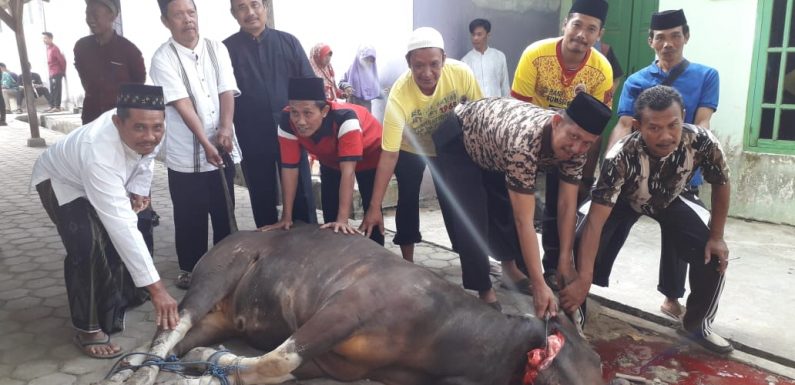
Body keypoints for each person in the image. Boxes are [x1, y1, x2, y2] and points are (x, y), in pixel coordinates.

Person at [560, 85, 733, 354]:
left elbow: (721, 183)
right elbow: (595, 221)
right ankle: (575, 316)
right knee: (579, 237)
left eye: (673, 125)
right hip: (622, 199)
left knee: (713, 252)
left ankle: (697, 325)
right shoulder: (620, 155)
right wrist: (584, 277)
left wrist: (718, 236)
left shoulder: (703, 141)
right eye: (654, 128)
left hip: (672, 196)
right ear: (638, 126)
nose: (666, 136)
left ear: (683, 116)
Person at [31, 84, 180, 359]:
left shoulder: (153, 124)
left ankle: (121, 295)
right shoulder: (99, 152)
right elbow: (121, 225)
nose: (150, 135)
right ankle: (87, 329)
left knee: (136, 222)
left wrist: (138, 187)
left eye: (157, 128)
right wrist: (158, 289)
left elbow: (146, 157)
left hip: (101, 177)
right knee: (86, 245)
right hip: (61, 181)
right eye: (139, 128)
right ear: (117, 121)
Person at [431, 93, 611, 316]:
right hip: (460, 136)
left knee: (502, 206)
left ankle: (509, 269)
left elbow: (566, 204)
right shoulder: (524, 144)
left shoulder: (578, 148)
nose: (576, 148)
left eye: (587, 143)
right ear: (556, 123)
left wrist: (564, 261)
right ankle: (483, 288)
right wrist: (538, 284)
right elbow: (523, 220)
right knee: (472, 216)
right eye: (573, 137)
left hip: (493, 146)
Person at [357, 27, 486, 302]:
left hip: (448, 145)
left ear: (444, 59)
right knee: (407, 199)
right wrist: (374, 207)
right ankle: (407, 264)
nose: (427, 73)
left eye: (434, 64)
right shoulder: (399, 96)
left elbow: (481, 115)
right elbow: (388, 154)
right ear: (409, 64)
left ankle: (471, 265)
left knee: (456, 204)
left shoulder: (461, 73)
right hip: (409, 147)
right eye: (418, 66)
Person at [606, 9, 720, 321]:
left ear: (686, 37)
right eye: (661, 37)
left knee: (681, 235)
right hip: (637, 175)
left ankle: (673, 298)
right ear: (651, 41)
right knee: (603, 223)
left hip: (682, 174)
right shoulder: (636, 80)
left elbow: (703, 121)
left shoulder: (706, 76)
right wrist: (609, 162)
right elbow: (625, 123)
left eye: (675, 36)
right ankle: (588, 284)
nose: (668, 43)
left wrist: (698, 156)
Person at [511, 0, 613, 294]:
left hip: (572, 146)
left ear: (598, 34)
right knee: (521, 203)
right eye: (577, 24)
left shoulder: (601, 70)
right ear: (565, 24)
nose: (582, 34)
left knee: (562, 205)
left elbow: (595, 126)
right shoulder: (535, 55)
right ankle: (520, 268)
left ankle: (556, 266)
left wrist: (584, 171)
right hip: (531, 139)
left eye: (591, 29)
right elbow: (518, 111)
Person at [150, 0, 242, 289]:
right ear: (166, 21)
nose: (187, 20)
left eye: (191, 13)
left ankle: (225, 264)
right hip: (185, 153)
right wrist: (205, 142)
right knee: (190, 213)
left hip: (223, 144)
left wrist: (225, 129)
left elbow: (226, 89)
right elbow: (182, 104)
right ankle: (191, 268)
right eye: (178, 15)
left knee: (224, 209)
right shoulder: (162, 58)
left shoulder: (217, 48)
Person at [223, 0, 317, 228]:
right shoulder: (226, 50)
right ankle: (269, 250)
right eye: (242, 7)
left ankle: (308, 243)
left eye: (255, 4)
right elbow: (222, 93)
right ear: (233, 13)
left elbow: (309, 87)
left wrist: (308, 125)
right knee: (261, 191)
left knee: (302, 190)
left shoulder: (288, 42)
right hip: (251, 133)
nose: (250, 12)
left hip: (292, 130)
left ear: (265, 7)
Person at [262, 77, 384, 245]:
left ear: (325, 111)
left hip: (371, 155)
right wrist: (286, 216)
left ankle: (377, 257)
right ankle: (336, 254)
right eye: (295, 112)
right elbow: (289, 168)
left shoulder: (345, 119)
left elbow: (348, 172)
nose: (300, 121)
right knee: (331, 214)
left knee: (371, 211)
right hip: (330, 159)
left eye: (307, 113)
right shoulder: (286, 121)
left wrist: (343, 219)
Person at [74, 0, 147, 125]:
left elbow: (139, 82)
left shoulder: (129, 50)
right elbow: (84, 78)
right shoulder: (81, 47)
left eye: (95, 14)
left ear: (112, 16)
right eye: (87, 14)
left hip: (121, 121)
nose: (90, 19)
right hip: (91, 118)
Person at [460, 18, 510, 98]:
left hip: (496, 107)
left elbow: (505, 86)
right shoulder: (465, 61)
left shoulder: (499, 57)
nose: (475, 38)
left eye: (479, 34)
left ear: (488, 35)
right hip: (476, 108)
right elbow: (463, 92)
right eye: (473, 34)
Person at [339, 45, 381, 112]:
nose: (368, 62)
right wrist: (347, 86)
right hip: (352, 105)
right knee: (352, 122)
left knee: (365, 122)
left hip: (366, 109)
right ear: (361, 57)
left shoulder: (372, 73)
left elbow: (374, 91)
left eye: (371, 60)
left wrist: (382, 93)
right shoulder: (352, 69)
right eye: (366, 59)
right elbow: (341, 82)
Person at [42, 31, 67, 112]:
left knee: (57, 89)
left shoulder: (55, 48)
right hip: (51, 72)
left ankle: (57, 106)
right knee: (52, 90)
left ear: (51, 39)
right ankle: (52, 105)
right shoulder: (48, 49)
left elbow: (61, 60)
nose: (44, 40)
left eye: (45, 38)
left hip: (57, 72)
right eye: (43, 38)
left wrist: (63, 71)